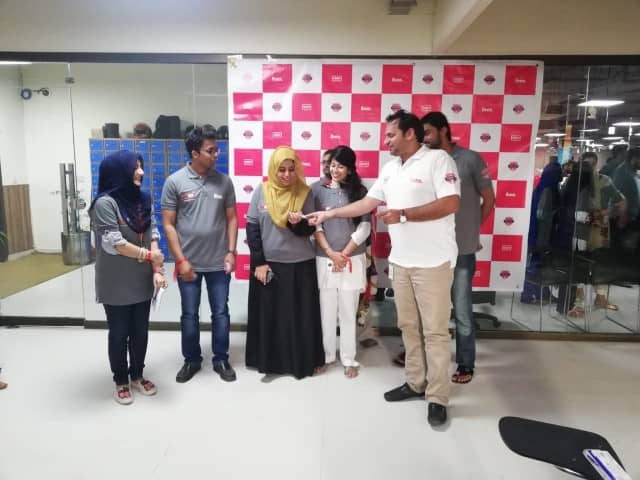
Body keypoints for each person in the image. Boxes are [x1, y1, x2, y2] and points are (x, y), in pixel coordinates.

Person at [308, 110, 460, 427]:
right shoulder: (390, 169)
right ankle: (415, 382)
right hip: (401, 262)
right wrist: (330, 214)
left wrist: (403, 214)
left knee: (434, 332)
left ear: (410, 134)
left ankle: (437, 396)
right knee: (408, 327)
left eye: (391, 134)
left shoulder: (438, 161)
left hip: (433, 263)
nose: (386, 140)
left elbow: (451, 203)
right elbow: (367, 204)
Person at [421, 112, 495, 384]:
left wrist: (472, 228)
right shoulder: (425, 161)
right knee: (430, 311)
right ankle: (427, 359)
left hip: (462, 250)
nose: (424, 138)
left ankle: (465, 362)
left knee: (462, 309)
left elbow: (489, 199)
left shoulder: (470, 159)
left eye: (428, 132)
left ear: (443, 131)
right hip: (432, 250)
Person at [161, 127, 238, 383]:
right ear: (195, 154)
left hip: (218, 262)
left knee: (221, 313)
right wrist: (180, 260)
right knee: (189, 315)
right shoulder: (175, 182)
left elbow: (232, 218)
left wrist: (231, 252)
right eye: (211, 150)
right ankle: (192, 360)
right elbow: (168, 225)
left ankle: (221, 359)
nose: (216, 154)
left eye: (217, 150)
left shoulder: (224, 182)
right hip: (189, 264)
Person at [90, 150, 166, 405]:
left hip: (141, 280)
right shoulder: (105, 204)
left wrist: (156, 270)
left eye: (141, 166)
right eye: (135, 167)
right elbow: (115, 244)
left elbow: (152, 233)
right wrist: (150, 256)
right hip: (115, 282)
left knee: (140, 332)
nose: (141, 172)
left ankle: (137, 375)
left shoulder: (143, 199)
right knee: (119, 333)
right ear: (119, 171)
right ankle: (121, 380)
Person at [245, 146, 325, 379]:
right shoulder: (261, 191)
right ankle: (269, 363)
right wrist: (259, 262)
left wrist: (296, 223)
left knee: (299, 318)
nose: (287, 174)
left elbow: (308, 230)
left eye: (291, 169)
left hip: (300, 265)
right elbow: (252, 228)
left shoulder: (305, 192)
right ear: (273, 169)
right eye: (281, 169)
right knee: (270, 317)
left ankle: (301, 362)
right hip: (269, 265)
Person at [312, 146, 371, 378]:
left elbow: (364, 227)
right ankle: (327, 356)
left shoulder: (360, 191)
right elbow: (316, 224)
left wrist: (343, 255)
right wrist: (330, 252)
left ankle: (349, 358)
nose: (335, 170)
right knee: (326, 311)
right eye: (333, 165)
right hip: (325, 258)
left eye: (341, 166)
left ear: (350, 169)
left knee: (348, 311)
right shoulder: (316, 190)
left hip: (351, 259)